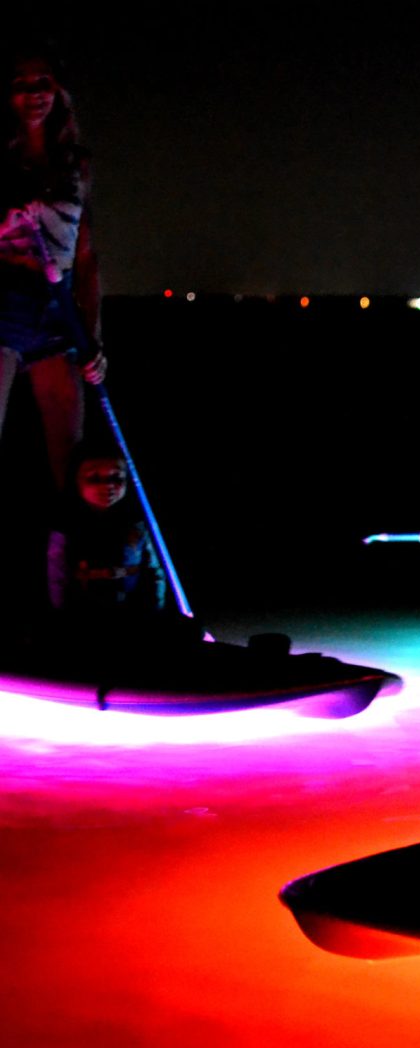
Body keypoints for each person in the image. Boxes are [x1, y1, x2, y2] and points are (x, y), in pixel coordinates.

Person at [1, 42, 106, 493]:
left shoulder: (76, 164)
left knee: (72, 458)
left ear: (59, 92)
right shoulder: (1, 160)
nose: (33, 94)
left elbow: (84, 256)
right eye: (21, 86)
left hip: (55, 314)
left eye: (42, 83)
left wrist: (93, 338)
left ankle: (70, 557)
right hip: (3, 305)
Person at [47, 441, 166, 617]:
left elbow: (153, 570)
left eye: (116, 478)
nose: (107, 486)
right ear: (76, 480)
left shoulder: (137, 525)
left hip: (131, 611)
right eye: (94, 478)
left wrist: (156, 608)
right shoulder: (66, 526)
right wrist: (58, 613)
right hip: (81, 613)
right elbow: (56, 574)